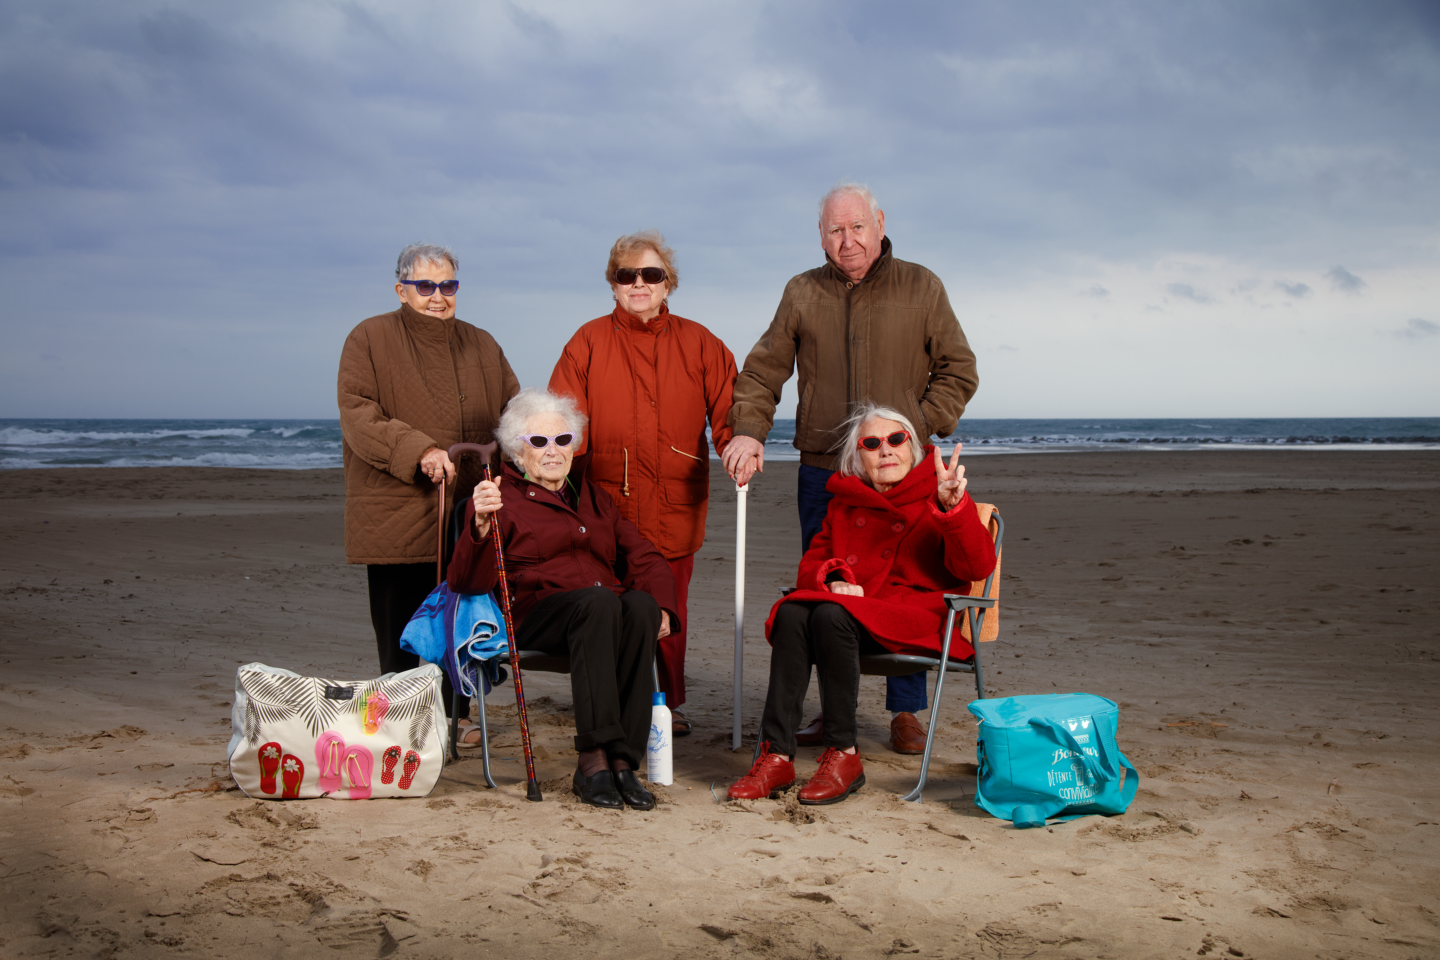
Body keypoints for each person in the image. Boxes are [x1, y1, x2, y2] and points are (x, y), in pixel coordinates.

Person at [722, 182, 980, 754]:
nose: (848, 241)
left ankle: (906, 713)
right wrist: (748, 429)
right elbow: (764, 371)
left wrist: (914, 428)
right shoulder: (801, 292)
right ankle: (833, 708)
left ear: (880, 224)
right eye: (835, 231)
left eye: (857, 227)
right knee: (826, 584)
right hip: (823, 469)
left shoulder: (921, 286)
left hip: (901, 470)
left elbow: (959, 370)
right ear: (821, 237)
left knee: (908, 581)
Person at [728, 403, 996, 804]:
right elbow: (812, 564)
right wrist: (835, 577)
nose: (885, 450)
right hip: (854, 621)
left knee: (830, 614)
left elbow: (976, 566)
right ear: (859, 457)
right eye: (872, 443)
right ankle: (778, 755)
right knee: (792, 610)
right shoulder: (844, 504)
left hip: (916, 620)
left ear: (913, 448)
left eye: (895, 439)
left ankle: (844, 753)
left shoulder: (940, 495)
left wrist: (952, 509)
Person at [446, 389, 679, 810]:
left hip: (599, 610)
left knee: (639, 607)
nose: (553, 451)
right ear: (518, 450)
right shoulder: (498, 498)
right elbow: (465, 581)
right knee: (600, 603)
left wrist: (663, 605)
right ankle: (593, 762)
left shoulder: (592, 497)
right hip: (536, 612)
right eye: (538, 442)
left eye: (562, 439)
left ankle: (623, 762)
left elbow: (644, 556)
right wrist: (479, 525)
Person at [549, 230, 737, 737]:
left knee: (667, 607)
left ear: (667, 284)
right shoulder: (587, 340)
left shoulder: (702, 343)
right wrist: (555, 468)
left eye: (650, 275)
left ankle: (664, 706)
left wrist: (738, 444)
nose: (638, 284)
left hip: (676, 499)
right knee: (608, 604)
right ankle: (610, 703)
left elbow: (730, 411)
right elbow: (563, 420)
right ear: (612, 285)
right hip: (604, 501)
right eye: (625, 275)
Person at [338, 243, 519, 745]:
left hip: (467, 508)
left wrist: (534, 445)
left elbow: (511, 411)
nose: (438, 297)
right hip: (399, 509)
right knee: (399, 624)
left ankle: (454, 717)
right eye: (426, 286)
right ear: (402, 289)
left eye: (448, 286)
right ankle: (398, 721)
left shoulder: (482, 343)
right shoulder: (369, 337)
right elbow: (358, 414)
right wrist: (418, 450)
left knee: (460, 615)